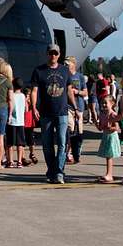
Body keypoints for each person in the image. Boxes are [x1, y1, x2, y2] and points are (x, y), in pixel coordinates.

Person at [30, 44, 74, 184]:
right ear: (47, 53)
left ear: (59, 54)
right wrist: (34, 108)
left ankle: (59, 172)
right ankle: (51, 170)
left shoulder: (65, 70)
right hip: (45, 113)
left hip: (62, 112)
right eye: (51, 53)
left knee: (62, 143)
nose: (53, 55)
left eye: (55, 53)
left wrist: (76, 107)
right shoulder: (39, 71)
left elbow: (69, 90)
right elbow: (34, 91)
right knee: (47, 145)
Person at [65, 56, 87, 166]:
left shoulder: (80, 77)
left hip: (79, 107)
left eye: (68, 64)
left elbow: (85, 92)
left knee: (79, 132)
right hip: (68, 107)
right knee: (70, 129)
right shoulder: (64, 76)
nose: (66, 65)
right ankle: (68, 153)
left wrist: (77, 92)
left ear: (73, 64)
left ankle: (77, 153)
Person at [96, 95, 121, 182]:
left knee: (109, 156)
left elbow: (117, 128)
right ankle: (108, 174)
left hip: (111, 137)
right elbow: (100, 128)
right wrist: (97, 123)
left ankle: (109, 174)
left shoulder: (113, 114)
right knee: (107, 156)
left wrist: (110, 128)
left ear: (112, 104)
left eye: (105, 103)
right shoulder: (102, 114)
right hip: (105, 136)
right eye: (102, 103)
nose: (103, 105)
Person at [6, 77, 27, 167]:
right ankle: (19, 161)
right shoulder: (23, 96)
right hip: (21, 122)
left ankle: (10, 161)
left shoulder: (12, 95)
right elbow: (26, 109)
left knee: (10, 143)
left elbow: (10, 105)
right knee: (20, 143)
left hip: (12, 122)